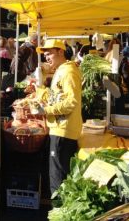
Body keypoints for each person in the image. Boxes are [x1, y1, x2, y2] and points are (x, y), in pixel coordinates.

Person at [36, 39, 82, 195]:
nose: (47, 58)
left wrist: (46, 110)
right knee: (58, 175)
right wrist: (40, 86)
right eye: (45, 55)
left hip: (63, 130)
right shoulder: (61, 70)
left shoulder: (68, 71)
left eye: (49, 53)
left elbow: (71, 102)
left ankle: (59, 212)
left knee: (58, 179)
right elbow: (56, 97)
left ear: (60, 52)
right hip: (60, 128)